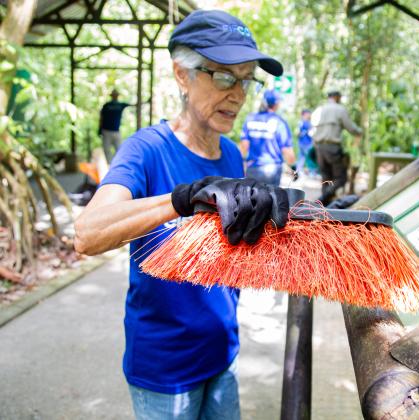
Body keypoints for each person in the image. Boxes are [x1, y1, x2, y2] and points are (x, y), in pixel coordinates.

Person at [74, 10, 289, 420]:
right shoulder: (145, 150)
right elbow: (87, 234)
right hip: (165, 367)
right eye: (225, 76)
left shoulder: (230, 153)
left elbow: (230, 253)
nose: (239, 94)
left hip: (222, 351)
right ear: (182, 75)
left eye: (246, 79)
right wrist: (180, 199)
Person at [310, 90, 362, 205]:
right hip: (331, 147)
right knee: (341, 179)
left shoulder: (320, 109)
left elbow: (311, 128)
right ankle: (321, 200)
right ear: (337, 97)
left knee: (326, 178)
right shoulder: (339, 109)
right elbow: (350, 127)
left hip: (319, 147)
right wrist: (360, 132)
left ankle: (323, 207)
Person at [239, 89, 295, 186]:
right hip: (272, 170)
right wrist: (293, 167)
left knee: (249, 199)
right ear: (276, 104)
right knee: (270, 200)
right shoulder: (280, 122)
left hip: (252, 168)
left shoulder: (250, 118)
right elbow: (288, 152)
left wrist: (241, 165)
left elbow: (244, 146)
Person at [99, 89, 130, 162]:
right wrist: (100, 129)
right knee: (107, 150)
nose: (115, 96)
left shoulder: (121, 105)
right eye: (114, 95)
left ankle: (117, 164)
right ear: (112, 96)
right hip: (106, 131)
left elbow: (134, 104)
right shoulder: (107, 105)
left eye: (116, 95)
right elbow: (101, 117)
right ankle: (110, 166)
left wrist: (145, 102)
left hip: (116, 131)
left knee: (120, 150)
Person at [295, 109, 314, 177]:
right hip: (305, 143)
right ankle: (311, 173)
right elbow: (297, 133)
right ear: (305, 114)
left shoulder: (304, 122)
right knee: (308, 158)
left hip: (304, 143)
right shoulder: (304, 122)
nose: (309, 115)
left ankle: (298, 172)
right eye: (308, 113)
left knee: (302, 158)